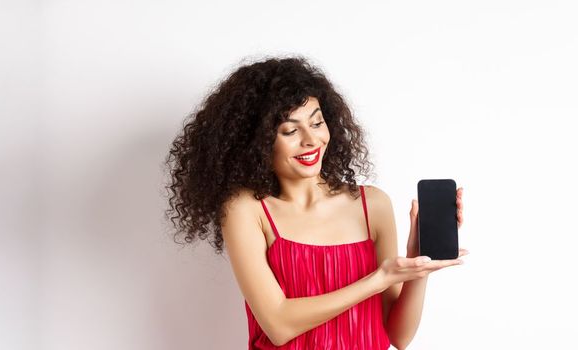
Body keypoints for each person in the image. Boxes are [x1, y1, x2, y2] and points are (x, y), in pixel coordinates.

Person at [164, 56, 467, 349]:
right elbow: (278, 325)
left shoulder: (372, 204)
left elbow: (398, 337)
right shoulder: (246, 210)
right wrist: (378, 279)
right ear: (256, 142)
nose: (311, 140)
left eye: (317, 122)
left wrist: (418, 267)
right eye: (290, 130)